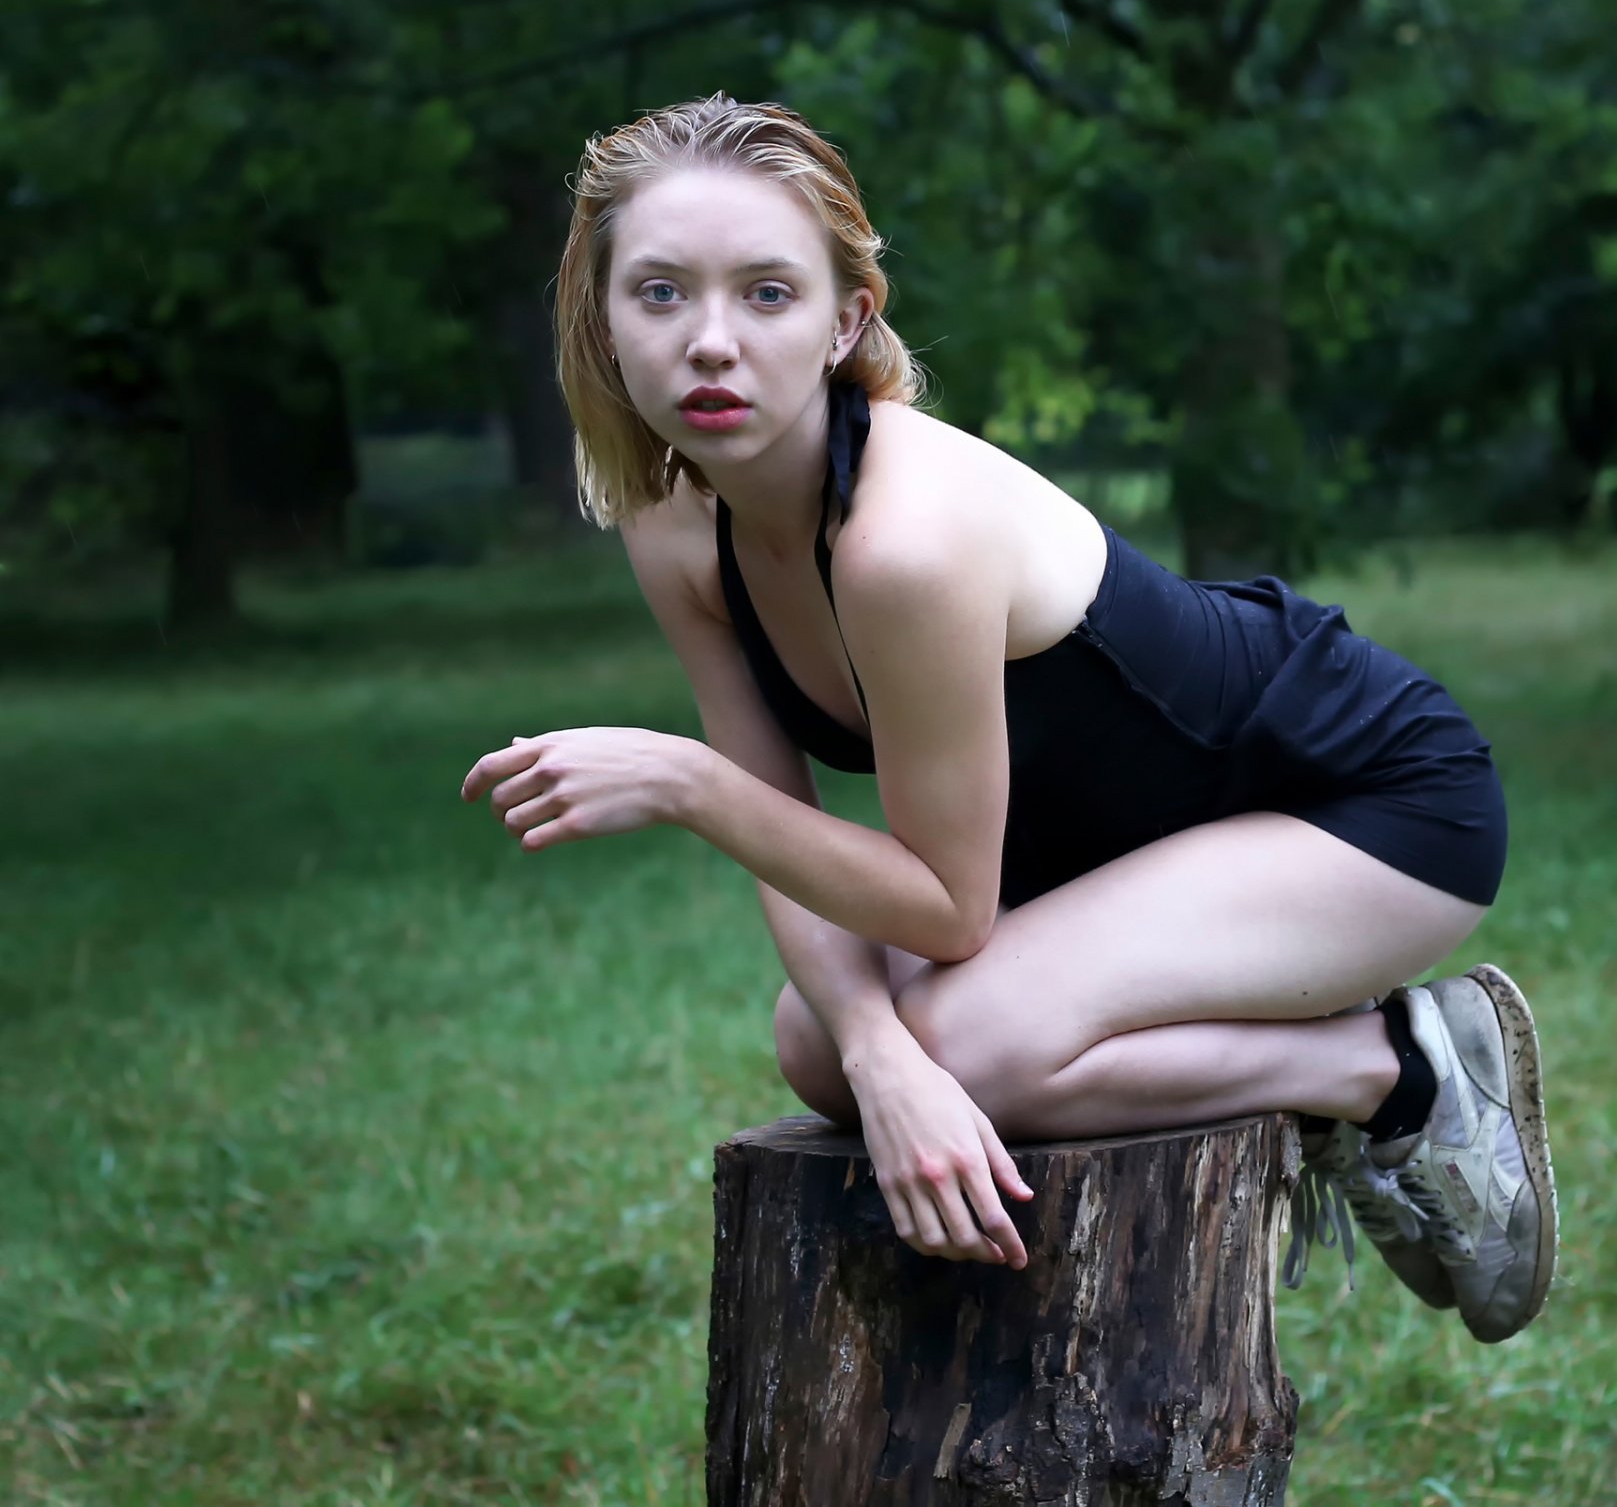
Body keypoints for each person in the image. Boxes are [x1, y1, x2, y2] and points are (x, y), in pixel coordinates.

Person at [461, 92, 1558, 1344]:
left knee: (959, 1046)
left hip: (1357, 808)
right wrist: (872, 1051)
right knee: (818, 1041)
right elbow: (789, 827)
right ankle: (1346, 1064)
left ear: (845, 320)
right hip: (1126, 845)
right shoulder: (674, 517)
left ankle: (1390, 1068)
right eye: (660, 292)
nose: (712, 341)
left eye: (767, 292)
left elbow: (941, 905)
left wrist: (687, 784)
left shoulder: (903, 542)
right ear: (603, 318)